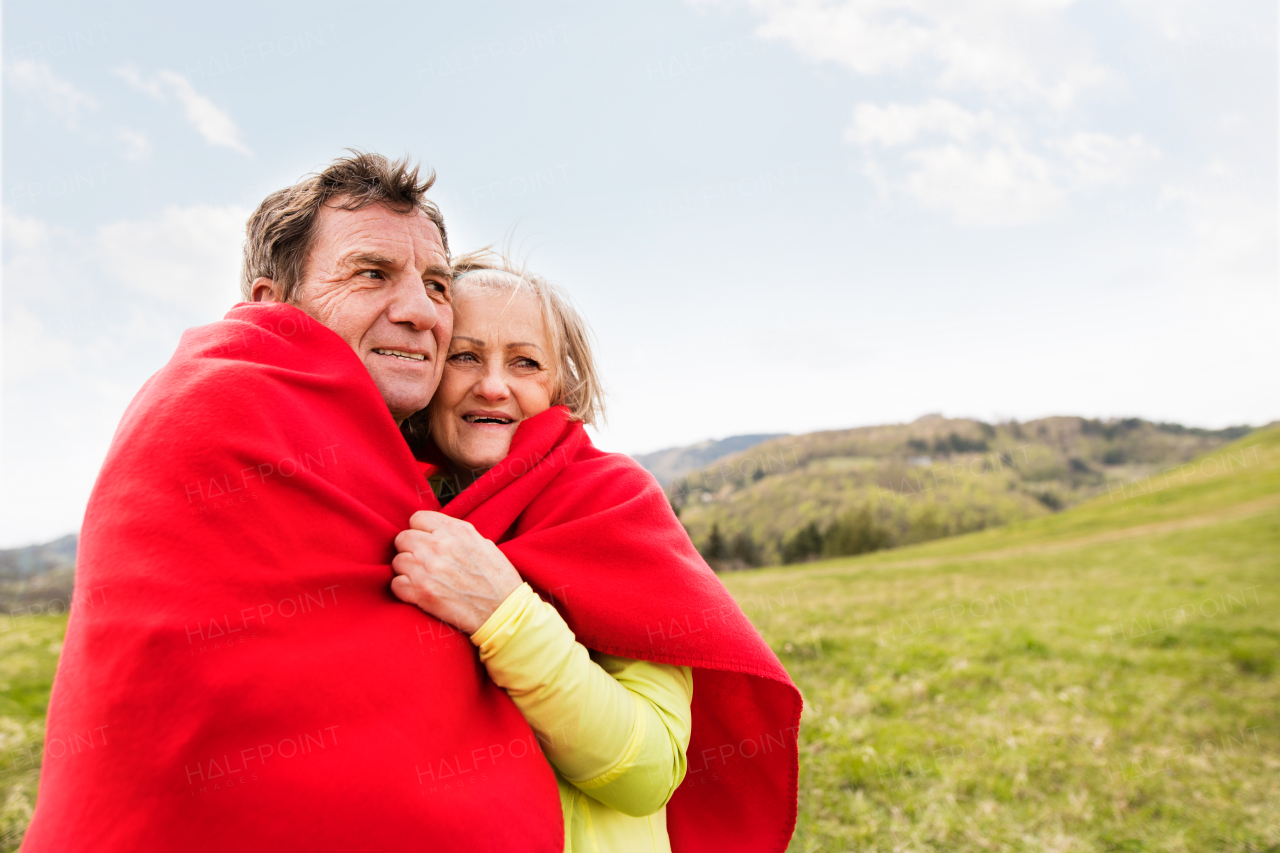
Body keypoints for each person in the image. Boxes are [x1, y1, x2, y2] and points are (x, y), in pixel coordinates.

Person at [23, 154, 563, 852]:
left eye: (436, 284)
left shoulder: (434, 463)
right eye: (373, 274)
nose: (422, 312)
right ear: (271, 300)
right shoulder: (217, 403)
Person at [390, 253, 802, 853]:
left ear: (561, 385)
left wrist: (503, 613)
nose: (494, 385)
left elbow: (648, 771)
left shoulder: (611, 505)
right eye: (465, 355)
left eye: (525, 362)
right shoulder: (381, 500)